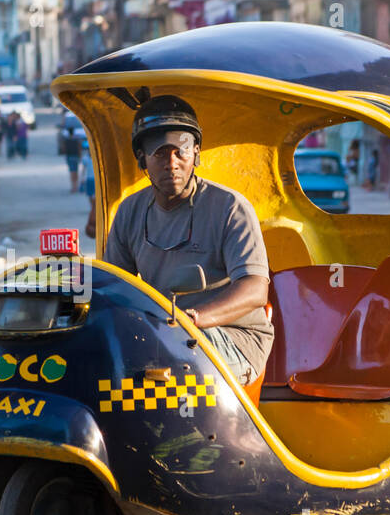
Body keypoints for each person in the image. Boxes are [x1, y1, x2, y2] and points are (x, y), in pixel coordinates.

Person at [102, 95, 274, 385]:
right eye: (159, 154)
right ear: (142, 158)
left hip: (234, 338)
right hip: (164, 335)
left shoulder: (230, 207)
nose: (172, 163)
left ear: (196, 153)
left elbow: (256, 290)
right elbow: (115, 288)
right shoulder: (129, 212)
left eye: (180, 152)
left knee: (171, 356)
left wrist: (192, 319)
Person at [62, 117, 82, 192]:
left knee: (71, 172)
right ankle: (76, 186)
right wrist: (80, 156)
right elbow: (79, 148)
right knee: (76, 171)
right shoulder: (77, 138)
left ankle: (73, 186)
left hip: (69, 157)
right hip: (75, 156)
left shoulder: (66, 139)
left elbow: (64, 149)